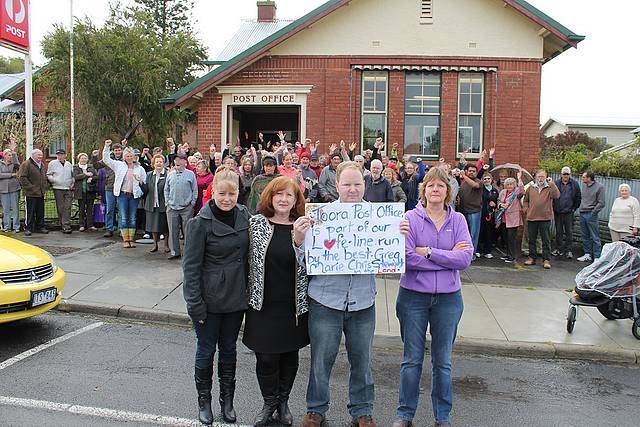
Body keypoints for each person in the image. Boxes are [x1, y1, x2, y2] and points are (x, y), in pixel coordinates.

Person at [293, 161, 409, 427]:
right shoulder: (319, 217)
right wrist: (299, 241)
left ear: (364, 185)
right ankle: (315, 410)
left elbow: (392, 260)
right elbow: (305, 263)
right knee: (321, 360)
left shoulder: (382, 218)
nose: (353, 189)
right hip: (325, 300)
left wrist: (400, 237)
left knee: (363, 361)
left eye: (357, 184)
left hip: (362, 302)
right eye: (347, 184)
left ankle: (362, 411)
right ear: (337, 185)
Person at [392, 167, 473, 427]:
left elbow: (465, 259)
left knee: (443, 362)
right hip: (413, 297)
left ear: (448, 191)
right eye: (430, 185)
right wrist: (446, 258)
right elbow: (406, 258)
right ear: (423, 191)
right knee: (411, 360)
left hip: (448, 300)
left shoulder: (458, 220)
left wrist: (428, 252)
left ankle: (443, 417)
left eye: (440, 185)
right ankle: (405, 414)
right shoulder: (410, 219)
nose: (435, 189)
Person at [182, 168, 249, 425]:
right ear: (213, 192)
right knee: (206, 350)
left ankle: (227, 400)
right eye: (222, 193)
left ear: (238, 194)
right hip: (208, 300)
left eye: (232, 194)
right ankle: (204, 401)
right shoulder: (199, 223)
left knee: (229, 349)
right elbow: (190, 268)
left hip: (235, 298)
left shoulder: (244, 216)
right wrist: (194, 304)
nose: (227, 198)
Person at [244, 176, 309, 426]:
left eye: (289, 195)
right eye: (278, 194)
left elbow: (313, 265)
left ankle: (283, 402)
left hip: (293, 306)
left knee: (289, 357)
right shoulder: (255, 224)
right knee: (266, 358)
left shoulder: (304, 226)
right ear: (270, 197)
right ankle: (268, 401)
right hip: (262, 304)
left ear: (296, 201)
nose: (283, 199)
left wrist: (299, 242)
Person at [101, 139, 147, 248]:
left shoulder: (139, 168)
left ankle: (131, 239)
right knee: (123, 216)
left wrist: (139, 182)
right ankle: (125, 240)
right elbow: (106, 160)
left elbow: (144, 183)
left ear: (134, 157)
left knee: (132, 217)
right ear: (124, 157)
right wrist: (106, 147)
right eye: (127, 156)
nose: (129, 158)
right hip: (122, 195)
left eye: (131, 156)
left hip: (134, 196)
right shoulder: (119, 165)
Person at [523, 170, 560, 269]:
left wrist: (551, 183)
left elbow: (557, 195)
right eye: (539, 176)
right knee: (532, 239)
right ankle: (532, 258)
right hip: (532, 217)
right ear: (536, 177)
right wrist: (526, 209)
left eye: (543, 177)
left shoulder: (549, 188)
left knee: (546, 240)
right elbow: (526, 200)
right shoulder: (530, 188)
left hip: (545, 218)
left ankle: (546, 260)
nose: (541, 179)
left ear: (546, 177)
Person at [165, 153, 197, 260]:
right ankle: (175, 252)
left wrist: (192, 203)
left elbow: (194, 190)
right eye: (176, 160)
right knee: (173, 230)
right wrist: (167, 202)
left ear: (185, 162)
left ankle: (188, 253)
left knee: (188, 231)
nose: (177, 162)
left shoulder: (191, 174)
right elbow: (166, 189)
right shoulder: (170, 174)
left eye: (180, 160)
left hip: (186, 208)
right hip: (172, 207)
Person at [94, 142, 124, 237]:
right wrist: (94, 157)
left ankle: (121, 229)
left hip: (121, 188)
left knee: (121, 210)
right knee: (110, 209)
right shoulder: (108, 159)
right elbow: (97, 166)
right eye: (116, 150)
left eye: (119, 150)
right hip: (110, 187)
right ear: (113, 151)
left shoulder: (125, 160)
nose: (118, 152)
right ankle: (109, 228)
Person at [141, 154, 169, 253]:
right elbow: (146, 190)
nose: (159, 164)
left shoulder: (167, 174)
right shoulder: (149, 175)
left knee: (165, 225)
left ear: (163, 163)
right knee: (153, 226)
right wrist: (140, 182)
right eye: (157, 162)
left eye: (160, 162)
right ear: (153, 163)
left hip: (163, 203)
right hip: (151, 203)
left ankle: (166, 245)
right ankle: (155, 244)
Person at [552, 166, 581, 259]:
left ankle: (568, 250)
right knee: (559, 231)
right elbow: (552, 196)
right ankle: (558, 249)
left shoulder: (575, 184)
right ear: (561, 174)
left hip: (569, 212)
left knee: (569, 232)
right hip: (558, 212)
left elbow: (578, 197)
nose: (565, 175)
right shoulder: (556, 183)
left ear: (570, 174)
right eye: (564, 174)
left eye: (567, 174)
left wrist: (574, 208)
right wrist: (554, 208)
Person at [18, 149, 48, 236]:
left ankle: (40, 227)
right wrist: (31, 188)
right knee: (30, 211)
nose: (40, 157)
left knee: (40, 211)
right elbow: (22, 177)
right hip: (30, 193)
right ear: (33, 155)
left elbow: (43, 177)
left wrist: (44, 187)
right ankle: (28, 228)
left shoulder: (42, 164)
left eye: (41, 155)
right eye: (38, 155)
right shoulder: (26, 164)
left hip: (40, 193)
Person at [577, 171, 606, 262]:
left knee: (594, 236)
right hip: (582, 213)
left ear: (589, 178)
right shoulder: (585, 186)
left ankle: (597, 257)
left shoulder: (599, 187)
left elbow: (601, 203)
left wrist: (593, 212)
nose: (582, 178)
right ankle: (587, 254)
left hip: (591, 214)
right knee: (585, 235)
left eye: (584, 177)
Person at [495, 173, 524, 263]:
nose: (509, 186)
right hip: (503, 218)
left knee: (511, 238)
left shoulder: (516, 193)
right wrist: (500, 205)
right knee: (506, 238)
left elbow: (521, 190)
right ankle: (508, 254)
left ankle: (512, 256)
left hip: (513, 218)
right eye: (507, 184)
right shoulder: (503, 192)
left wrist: (519, 178)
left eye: (511, 184)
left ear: (514, 185)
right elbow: (498, 201)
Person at [47, 149, 74, 234]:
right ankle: (64, 225)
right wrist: (54, 180)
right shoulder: (52, 163)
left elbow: (72, 175)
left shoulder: (69, 164)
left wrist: (72, 183)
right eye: (58, 154)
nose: (60, 156)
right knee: (61, 207)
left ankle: (66, 224)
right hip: (58, 188)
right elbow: (49, 174)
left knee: (67, 206)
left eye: (62, 154)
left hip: (68, 188)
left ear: (65, 155)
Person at [73, 153, 97, 232]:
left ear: (87, 159)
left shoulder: (91, 167)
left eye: (85, 158)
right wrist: (85, 174)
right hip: (80, 191)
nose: (83, 160)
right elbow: (76, 177)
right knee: (81, 208)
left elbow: (97, 176)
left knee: (90, 209)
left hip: (90, 191)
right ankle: (81, 225)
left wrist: (92, 178)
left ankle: (90, 225)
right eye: (82, 158)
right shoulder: (76, 167)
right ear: (79, 159)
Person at [0, 143, 20, 233]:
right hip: (3, 189)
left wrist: (13, 151)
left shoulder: (14, 164)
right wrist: (11, 175)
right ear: (4, 156)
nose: (10, 156)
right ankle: (7, 226)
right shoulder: (0, 164)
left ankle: (16, 227)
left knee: (15, 208)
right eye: (9, 155)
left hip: (14, 188)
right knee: (6, 209)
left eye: (11, 155)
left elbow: (17, 164)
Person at [479, 173, 499, 258]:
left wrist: (495, 204)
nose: (487, 180)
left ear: (491, 180)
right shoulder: (481, 190)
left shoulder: (495, 190)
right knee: (480, 232)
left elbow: (498, 201)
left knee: (489, 232)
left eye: (488, 179)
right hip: (481, 213)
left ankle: (487, 251)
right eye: (485, 179)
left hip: (491, 214)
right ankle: (478, 250)